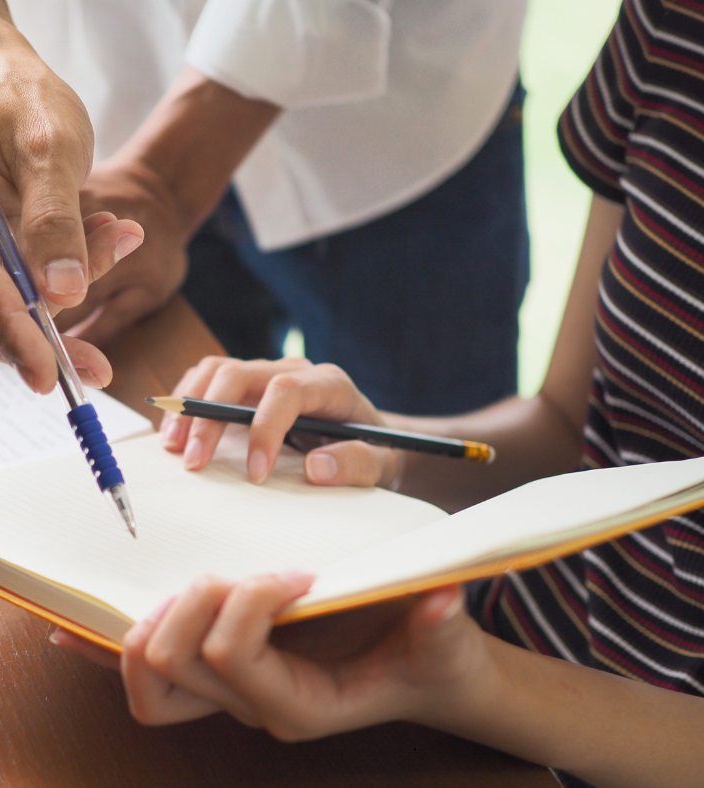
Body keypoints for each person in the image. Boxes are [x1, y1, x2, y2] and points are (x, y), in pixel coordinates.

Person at [52, 2, 704, 786]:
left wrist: (470, 686)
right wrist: (382, 445)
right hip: (488, 670)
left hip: (515, 715)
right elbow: (571, 429)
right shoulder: (672, 27)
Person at [0, 0, 528, 414]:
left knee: (430, 518)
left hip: (391, 138)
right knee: (193, 476)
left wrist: (165, 183)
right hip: (108, 116)